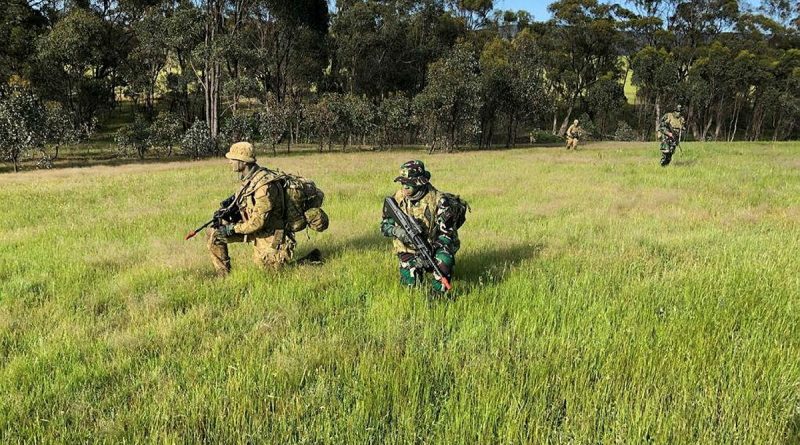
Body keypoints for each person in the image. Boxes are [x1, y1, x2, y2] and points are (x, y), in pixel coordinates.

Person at [207, 142, 294, 276]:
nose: (229, 162)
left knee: (271, 273)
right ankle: (223, 274)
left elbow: (258, 222)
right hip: (256, 229)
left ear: (244, 162)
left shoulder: (263, 186)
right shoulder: (249, 179)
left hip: (271, 233)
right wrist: (226, 215)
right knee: (214, 233)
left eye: (233, 159)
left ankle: (309, 260)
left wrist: (231, 229)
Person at [380, 160, 463, 294]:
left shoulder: (439, 201)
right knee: (410, 287)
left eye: (409, 183)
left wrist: (431, 251)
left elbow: (447, 235)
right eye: (402, 183)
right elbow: (384, 226)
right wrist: (398, 231)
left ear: (419, 182)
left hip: (434, 246)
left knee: (443, 263)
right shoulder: (397, 199)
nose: (404, 187)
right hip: (408, 247)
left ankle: (438, 295)